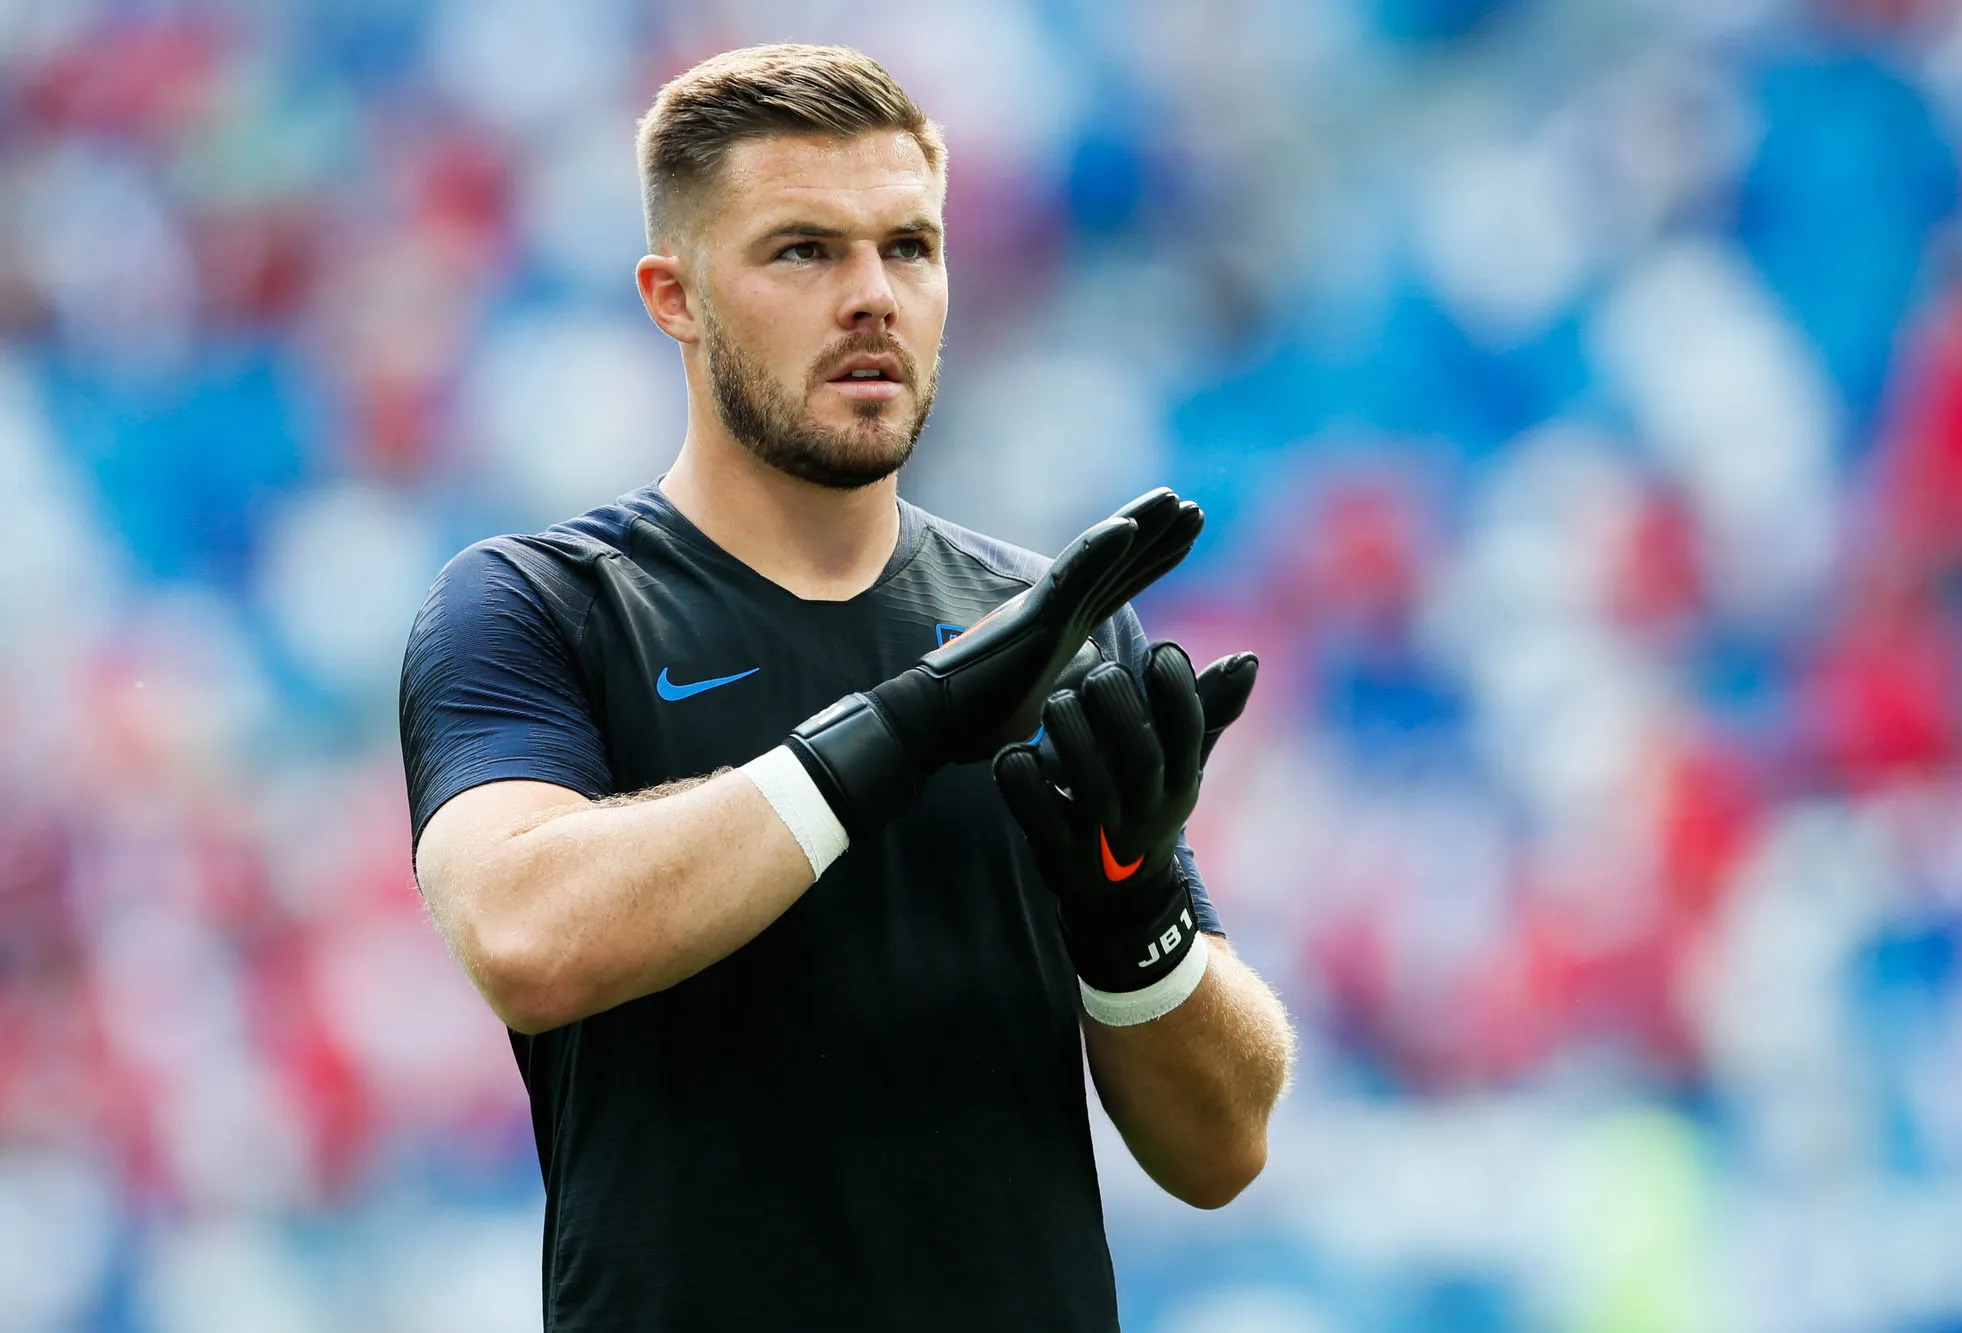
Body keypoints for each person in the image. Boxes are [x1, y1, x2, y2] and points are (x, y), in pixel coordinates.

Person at [398, 43, 1294, 1332]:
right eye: (803, 251)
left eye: (910, 248)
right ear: (675, 297)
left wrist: (1132, 913)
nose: (872, 296)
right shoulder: (538, 604)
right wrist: (907, 723)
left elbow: (1223, 1150)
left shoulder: (1050, 623)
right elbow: (529, 939)